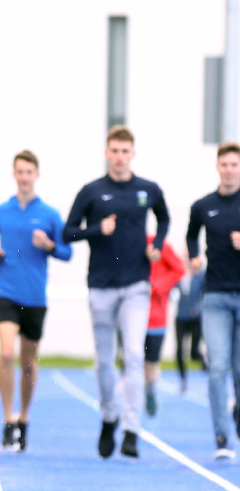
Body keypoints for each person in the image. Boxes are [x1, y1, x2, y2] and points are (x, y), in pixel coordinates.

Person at [63, 126, 170, 459]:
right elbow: (68, 232)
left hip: (136, 285)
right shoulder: (92, 191)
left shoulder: (148, 189)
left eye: (126, 151)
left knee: (134, 355)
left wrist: (158, 245)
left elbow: (164, 219)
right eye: (115, 151)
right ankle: (109, 417)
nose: (120, 157)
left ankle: (131, 429)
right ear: (107, 153)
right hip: (101, 286)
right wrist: (97, 230)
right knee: (105, 362)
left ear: (132, 154)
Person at [0, 150, 72, 453]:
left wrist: (49, 245)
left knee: (29, 362)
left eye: (28, 172)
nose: (24, 177)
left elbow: (66, 252)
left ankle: (24, 418)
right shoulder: (1, 211)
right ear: (14, 174)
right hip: (6, 291)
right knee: (7, 354)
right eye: (19, 171)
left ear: (36, 175)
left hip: (35, 296)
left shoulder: (49, 214)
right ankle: (8, 419)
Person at [186, 141, 240, 460]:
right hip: (216, 297)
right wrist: (193, 257)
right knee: (217, 367)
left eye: (235, 164)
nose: (229, 169)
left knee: (238, 369)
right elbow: (191, 235)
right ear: (218, 167)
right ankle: (221, 435)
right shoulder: (203, 205)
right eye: (225, 164)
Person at [143, 236, 184, 416]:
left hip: (155, 319)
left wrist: (159, 285)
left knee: (151, 363)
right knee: (129, 361)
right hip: (127, 316)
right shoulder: (124, 242)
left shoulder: (158, 244)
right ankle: (132, 399)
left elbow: (179, 269)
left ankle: (150, 389)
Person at [175, 256, 207, 392]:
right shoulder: (180, 274)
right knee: (180, 350)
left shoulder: (201, 275)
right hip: (181, 317)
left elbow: (206, 294)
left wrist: (199, 308)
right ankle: (183, 380)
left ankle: (205, 362)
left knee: (194, 352)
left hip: (195, 318)